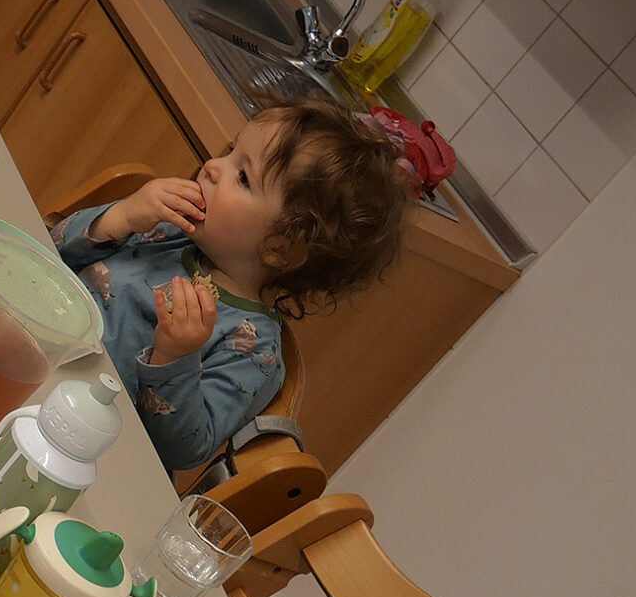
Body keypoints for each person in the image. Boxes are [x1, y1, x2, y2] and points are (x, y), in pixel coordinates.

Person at [50, 100, 406, 472]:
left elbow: (182, 451)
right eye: (231, 150)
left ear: (279, 248)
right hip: (43, 351)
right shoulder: (168, 229)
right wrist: (120, 217)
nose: (212, 166)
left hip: (87, 449)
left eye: (243, 177)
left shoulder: (253, 349)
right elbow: (55, 251)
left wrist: (175, 358)